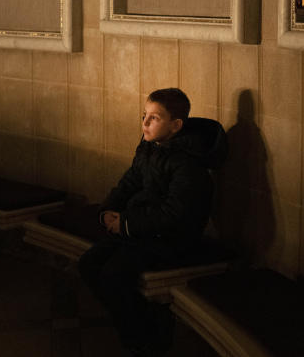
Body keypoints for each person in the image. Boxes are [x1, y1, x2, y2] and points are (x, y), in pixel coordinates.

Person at [78, 88, 226, 356]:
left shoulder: (188, 165)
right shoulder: (149, 147)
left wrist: (124, 223)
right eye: (144, 115)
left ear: (176, 125)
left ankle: (145, 340)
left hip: (172, 239)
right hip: (143, 231)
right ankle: (144, 324)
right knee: (88, 264)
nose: (145, 123)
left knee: (114, 276)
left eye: (154, 118)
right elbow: (131, 181)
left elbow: (174, 214)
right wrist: (109, 210)